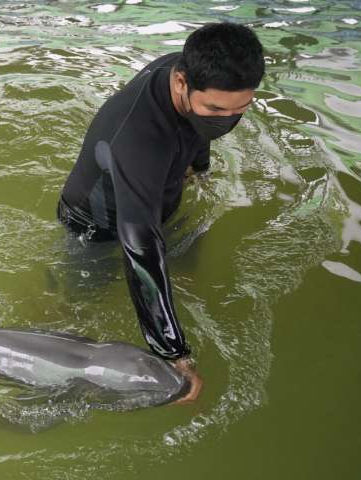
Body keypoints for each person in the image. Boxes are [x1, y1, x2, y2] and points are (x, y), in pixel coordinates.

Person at [56, 22, 266, 403]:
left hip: (161, 196)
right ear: (182, 82)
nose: (228, 119)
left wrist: (199, 168)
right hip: (97, 221)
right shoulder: (137, 136)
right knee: (76, 311)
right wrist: (174, 353)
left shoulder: (192, 75)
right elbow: (140, 245)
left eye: (241, 109)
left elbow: (202, 130)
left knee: (185, 276)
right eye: (217, 109)